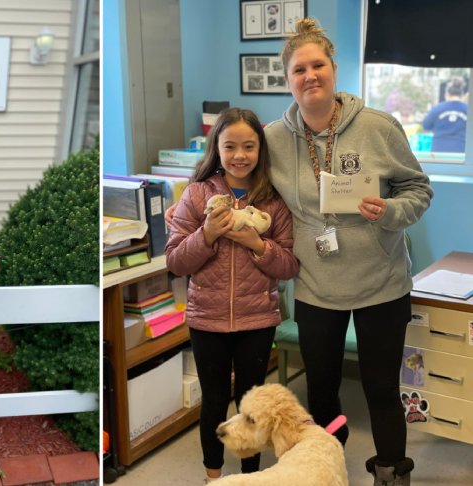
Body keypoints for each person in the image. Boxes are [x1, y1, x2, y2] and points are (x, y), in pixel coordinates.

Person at [264, 18, 433, 486]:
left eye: (318, 65)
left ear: (334, 70)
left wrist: (391, 210)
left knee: (382, 388)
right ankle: (327, 464)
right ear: (288, 80)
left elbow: (419, 190)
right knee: (322, 391)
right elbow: (235, 169)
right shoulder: (274, 139)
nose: (310, 76)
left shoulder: (378, 127)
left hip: (382, 283)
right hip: (318, 288)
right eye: (299, 69)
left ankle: (392, 472)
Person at [165, 108, 299, 483]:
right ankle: (214, 476)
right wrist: (206, 235)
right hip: (206, 318)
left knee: (250, 405)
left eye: (249, 146)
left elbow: (289, 265)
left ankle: (249, 476)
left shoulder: (274, 200)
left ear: (261, 150)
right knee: (214, 402)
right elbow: (175, 261)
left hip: (258, 319)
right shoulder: (197, 194)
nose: (240, 155)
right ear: (217, 149)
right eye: (230, 146)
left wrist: (258, 245)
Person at [422, 76, 468, 152]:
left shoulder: (437, 109)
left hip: (439, 154)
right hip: (462, 154)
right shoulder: (468, 110)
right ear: (462, 95)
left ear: (447, 94)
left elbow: (426, 125)